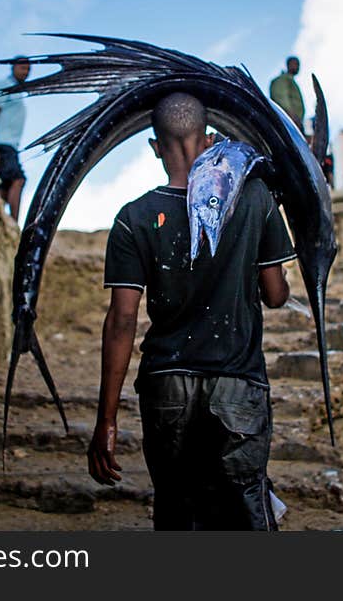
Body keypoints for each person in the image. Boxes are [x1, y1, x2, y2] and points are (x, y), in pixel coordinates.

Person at [87, 92, 297, 530]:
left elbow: (122, 320)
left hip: (166, 388)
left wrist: (106, 420)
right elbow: (276, 296)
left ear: (155, 146)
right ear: (209, 141)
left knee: (177, 510)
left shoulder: (134, 218)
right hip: (239, 385)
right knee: (247, 510)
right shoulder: (255, 198)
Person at [0, 57, 31, 221]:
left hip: (8, 145)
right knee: (18, 179)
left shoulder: (17, 91)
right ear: (13, 67)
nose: (26, 71)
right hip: (1, 144)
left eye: (28, 69)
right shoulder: (4, 85)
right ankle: (13, 223)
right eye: (23, 67)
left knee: (4, 186)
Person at [269, 56, 305, 131]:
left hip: (295, 123)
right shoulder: (282, 79)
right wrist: (291, 116)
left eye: (298, 64)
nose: (297, 66)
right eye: (295, 63)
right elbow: (280, 97)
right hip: (288, 121)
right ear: (289, 64)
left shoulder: (292, 82)